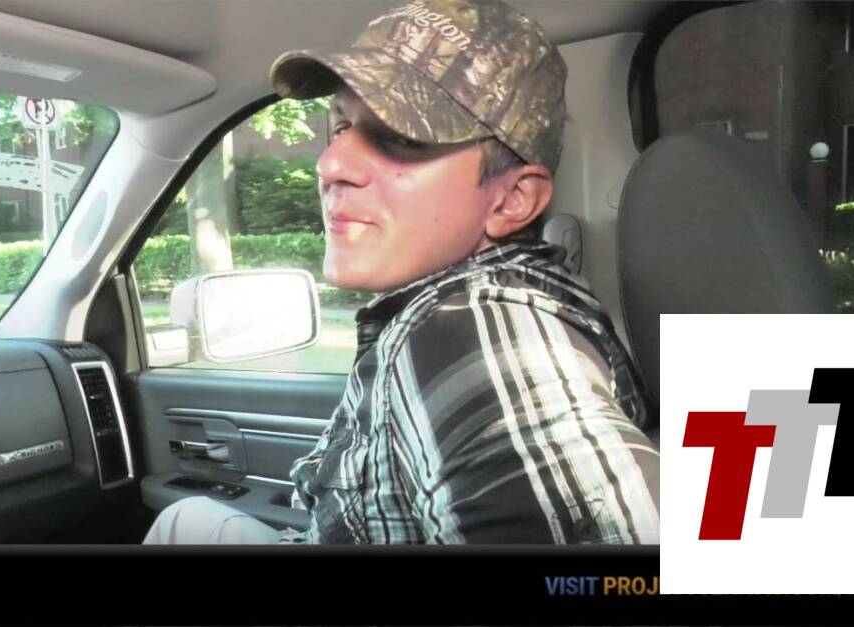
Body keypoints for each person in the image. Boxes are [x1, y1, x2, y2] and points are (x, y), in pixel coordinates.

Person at [144, 0, 659, 545]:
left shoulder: (473, 329)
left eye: (402, 137)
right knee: (187, 518)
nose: (329, 164)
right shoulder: (493, 301)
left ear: (512, 199)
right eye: (341, 126)